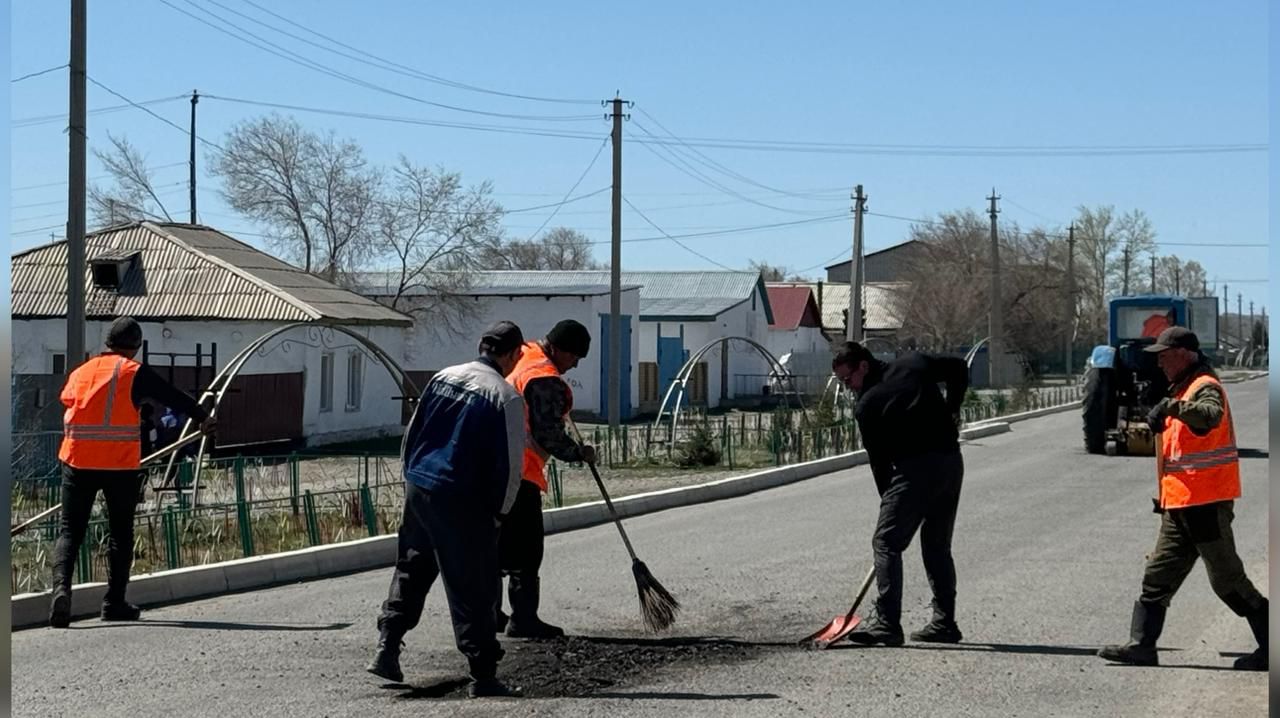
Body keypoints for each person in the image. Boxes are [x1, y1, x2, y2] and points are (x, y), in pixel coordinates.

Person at [367, 321, 528, 698]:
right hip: (463, 499)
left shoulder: (443, 377)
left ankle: (387, 647)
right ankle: (484, 675)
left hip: (420, 487)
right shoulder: (505, 397)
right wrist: (500, 514)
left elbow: (413, 434)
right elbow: (510, 464)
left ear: (480, 344)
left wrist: (411, 479)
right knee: (473, 584)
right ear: (512, 355)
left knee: (412, 566)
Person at [1098, 326, 1267, 670]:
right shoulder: (1182, 386)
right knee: (1158, 575)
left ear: (1185, 355)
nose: (1160, 363)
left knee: (1228, 582)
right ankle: (1141, 646)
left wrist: (1173, 407)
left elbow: (1209, 415)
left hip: (1204, 505)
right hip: (1179, 505)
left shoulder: (1205, 386)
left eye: (1165, 355)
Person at [51, 317, 215, 628]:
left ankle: (61, 592)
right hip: (118, 465)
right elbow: (172, 396)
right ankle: (114, 602)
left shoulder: (82, 371)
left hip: (76, 461)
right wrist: (203, 416)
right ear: (136, 347)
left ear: (107, 344)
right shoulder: (133, 372)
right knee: (120, 532)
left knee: (70, 531)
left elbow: (68, 400)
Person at [832, 341, 970, 646]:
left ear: (863, 366)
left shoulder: (868, 404)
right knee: (936, 546)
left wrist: (890, 507)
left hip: (915, 470)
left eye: (848, 379)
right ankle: (945, 623)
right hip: (950, 462)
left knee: (886, 542)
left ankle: (887, 623)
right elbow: (959, 367)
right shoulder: (913, 363)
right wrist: (953, 409)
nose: (848, 387)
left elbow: (880, 465)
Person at [495, 319, 597, 639]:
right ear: (561, 350)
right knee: (527, 550)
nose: (575, 365)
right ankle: (523, 619)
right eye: (575, 358)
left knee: (494, 547)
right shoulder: (545, 378)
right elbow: (548, 434)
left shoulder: (526, 355)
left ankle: (488, 614)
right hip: (520, 472)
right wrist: (579, 453)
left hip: (491, 466)